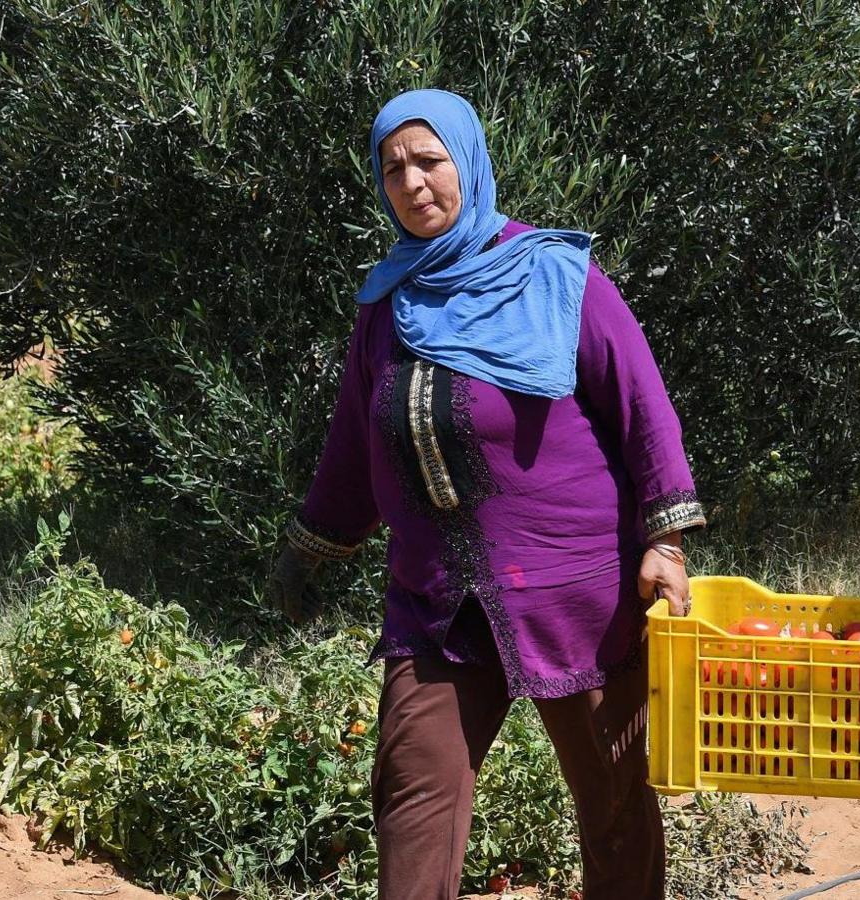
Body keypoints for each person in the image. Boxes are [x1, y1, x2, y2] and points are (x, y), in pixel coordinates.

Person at [263, 89, 706, 900]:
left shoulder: (556, 275)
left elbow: (644, 406)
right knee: (412, 796)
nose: (412, 182)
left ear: (466, 160)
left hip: (579, 597)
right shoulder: (386, 302)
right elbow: (356, 448)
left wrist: (665, 540)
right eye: (392, 168)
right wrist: (310, 545)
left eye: (429, 160)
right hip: (437, 599)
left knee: (613, 811)